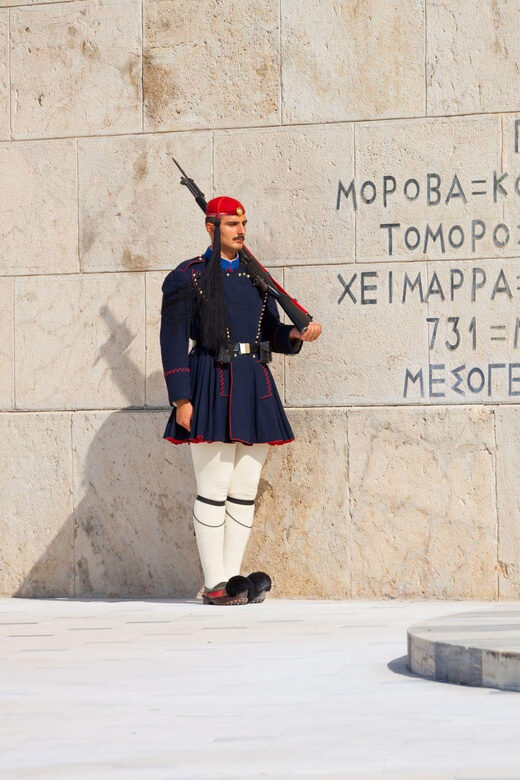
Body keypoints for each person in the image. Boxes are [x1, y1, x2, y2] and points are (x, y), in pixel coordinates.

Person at [159, 195, 322, 605]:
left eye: (243, 223)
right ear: (211, 228)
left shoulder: (255, 278)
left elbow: (269, 332)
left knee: (245, 485)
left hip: (254, 383)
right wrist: (181, 399)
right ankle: (215, 581)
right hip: (210, 381)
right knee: (213, 484)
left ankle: (233, 581)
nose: (241, 231)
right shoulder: (187, 277)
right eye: (232, 224)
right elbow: (172, 340)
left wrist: (295, 334)